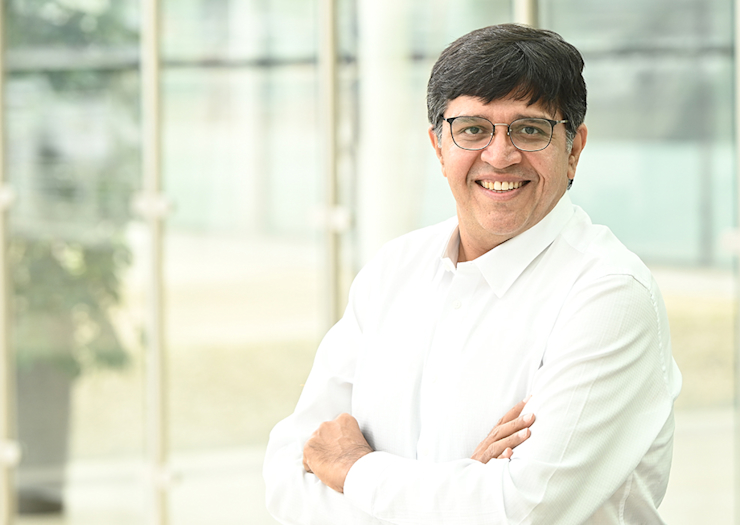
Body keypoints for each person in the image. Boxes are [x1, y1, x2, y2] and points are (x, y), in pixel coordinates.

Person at [264, 23, 682, 524]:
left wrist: (354, 470)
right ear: (439, 147)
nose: (500, 155)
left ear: (573, 149)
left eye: (530, 129)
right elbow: (291, 470)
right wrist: (465, 486)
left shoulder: (608, 296)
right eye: (472, 128)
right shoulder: (394, 270)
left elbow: (520, 510)